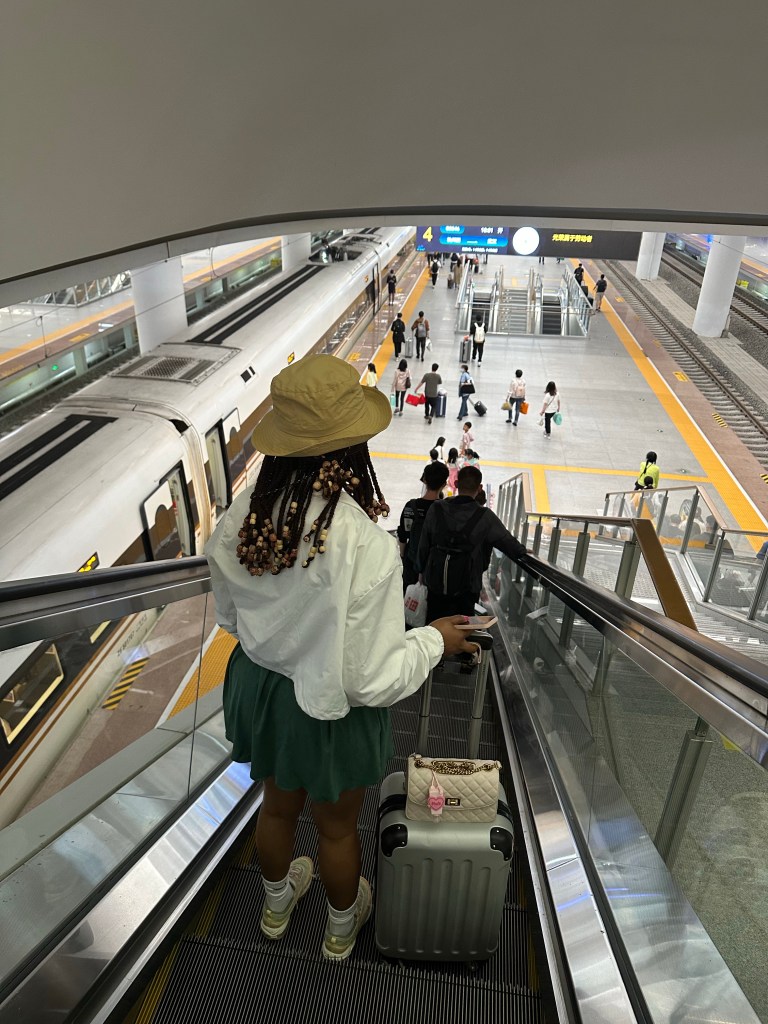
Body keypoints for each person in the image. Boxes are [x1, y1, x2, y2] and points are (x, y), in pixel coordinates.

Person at [205, 355, 475, 961]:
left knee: (276, 809)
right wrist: (435, 639)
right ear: (352, 447)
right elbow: (371, 679)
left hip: (263, 693)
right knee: (334, 828)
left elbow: (229, 617)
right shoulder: (364, 543)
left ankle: (276, 907)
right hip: (328, 708)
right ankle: (339, 928)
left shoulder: (243, 516)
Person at [418, 465, 527, 620]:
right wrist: (522, 551)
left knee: (434, 624)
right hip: (467, 587)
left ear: (456, 484)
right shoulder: (485, 516)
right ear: (480, 488)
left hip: (436, 582)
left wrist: (420, 571)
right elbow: (508, 543)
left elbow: (423, 545)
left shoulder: (436, 508)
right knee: (463, 626)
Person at [397, 460, 450, 593]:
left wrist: (403, 557)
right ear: (444, 484)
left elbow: (402, 536)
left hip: (411, 562)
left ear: (425, 480)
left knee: (410, 598)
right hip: (435, 566)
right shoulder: (447, 510)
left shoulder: (410, 506)